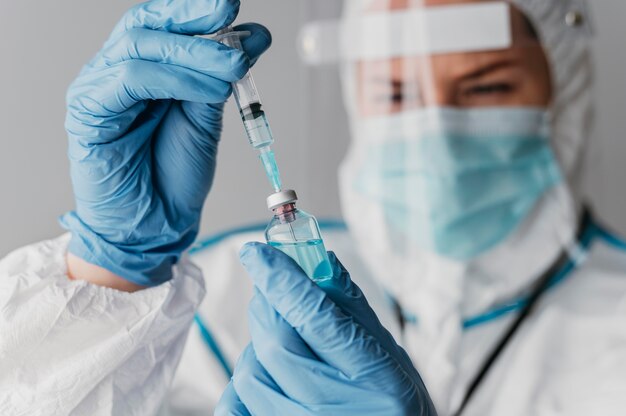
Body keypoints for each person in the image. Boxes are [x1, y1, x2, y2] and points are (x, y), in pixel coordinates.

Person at [1, 0, 625, 415]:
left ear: (562, 91)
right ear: (356, 96)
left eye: (488, 86)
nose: (436, 130)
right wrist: (114, 271)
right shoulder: (220, 304)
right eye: (395, 89)